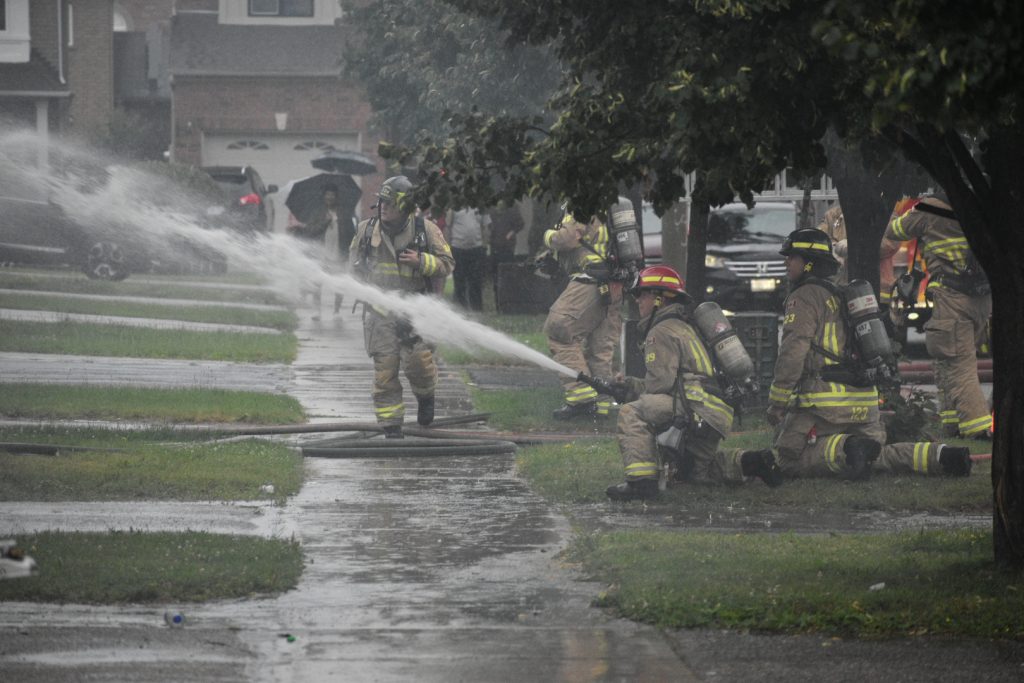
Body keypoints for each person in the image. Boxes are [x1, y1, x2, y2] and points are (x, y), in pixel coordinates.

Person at [765, 228, 973, 479]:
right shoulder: (843, 294)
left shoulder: (804, 297)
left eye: (791, 257)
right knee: (876, 456)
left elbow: (792, 352)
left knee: (788, 459)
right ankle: (941, 456)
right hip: (864, 404)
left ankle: (846, 448)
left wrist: (777, 402)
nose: (786, 262)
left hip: (824, 405)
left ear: (808, 263)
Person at [605, 265, 784, 501]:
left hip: (693, 407)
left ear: (661, 299)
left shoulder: (660, 331)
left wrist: (630, 391)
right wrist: (629, 385)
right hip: (714, 411)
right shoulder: (686, 326)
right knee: (697, 472)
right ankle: (751, 462)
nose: (638, 300)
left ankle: (641, 483)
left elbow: (660, 385)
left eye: (644, 293)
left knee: (632, 413)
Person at [349, 176, 455, 438]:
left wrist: (422, 261)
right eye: (382, 202)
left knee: (418, 364)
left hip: (414, 312)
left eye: (391, 203)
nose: (385, 207)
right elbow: (351, 269)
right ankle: (391, 426)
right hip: (380, 314)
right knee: (385, 372)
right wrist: (358, 275)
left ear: (406, 207)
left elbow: (448, 264)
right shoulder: (365, 230)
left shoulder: (426, 230)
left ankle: (425, 396)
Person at [884, 194, 992, 439]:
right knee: (945, 360)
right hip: (980, 299)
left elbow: (896, 230)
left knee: (958, 364)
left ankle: (978, 429)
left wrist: (890, 210)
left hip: (951, 297)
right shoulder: (981, 205)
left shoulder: (930, 209)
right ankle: (951, 423)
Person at [542, 210, 623, 419]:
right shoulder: (608, 210)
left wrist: (548, 236)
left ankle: (581, 399)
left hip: (590, 279)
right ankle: (604, 406)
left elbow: (567, 238)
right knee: (601, 348)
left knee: (559, 330)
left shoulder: (583, 204)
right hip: (613, 284)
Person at [286, 184, 350, 316]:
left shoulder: (343, 213)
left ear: (336, 197)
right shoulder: (318, 212)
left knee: (339, 284)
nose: (329, 197)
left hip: (339, 254)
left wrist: (348, 251)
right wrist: (325, 222)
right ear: (324, 197)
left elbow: (349, 232)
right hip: (322, 254)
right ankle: (317, 310)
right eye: (327, 194)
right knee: (317, 283)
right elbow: (311, 231)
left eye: (332, 194)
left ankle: (336, 311)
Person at [447, 207, 490, 311]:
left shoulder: (481, 205)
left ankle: (477, 309)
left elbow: (485, 227)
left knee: (476, 282)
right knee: (459, 281)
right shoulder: (454, 207)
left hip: (476, 249)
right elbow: (448, 227)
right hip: (457, 249)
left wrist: (484, 246)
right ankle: (461, 309)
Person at [488, 201, 524, 304]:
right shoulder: (491, 208)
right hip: (494, 245)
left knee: (507, 273)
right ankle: (497, 301)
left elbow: (520, 224)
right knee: (495, 274)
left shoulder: (512, 207)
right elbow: (488, 223)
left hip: (507, 247)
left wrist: (511, 233)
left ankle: (508, 300)